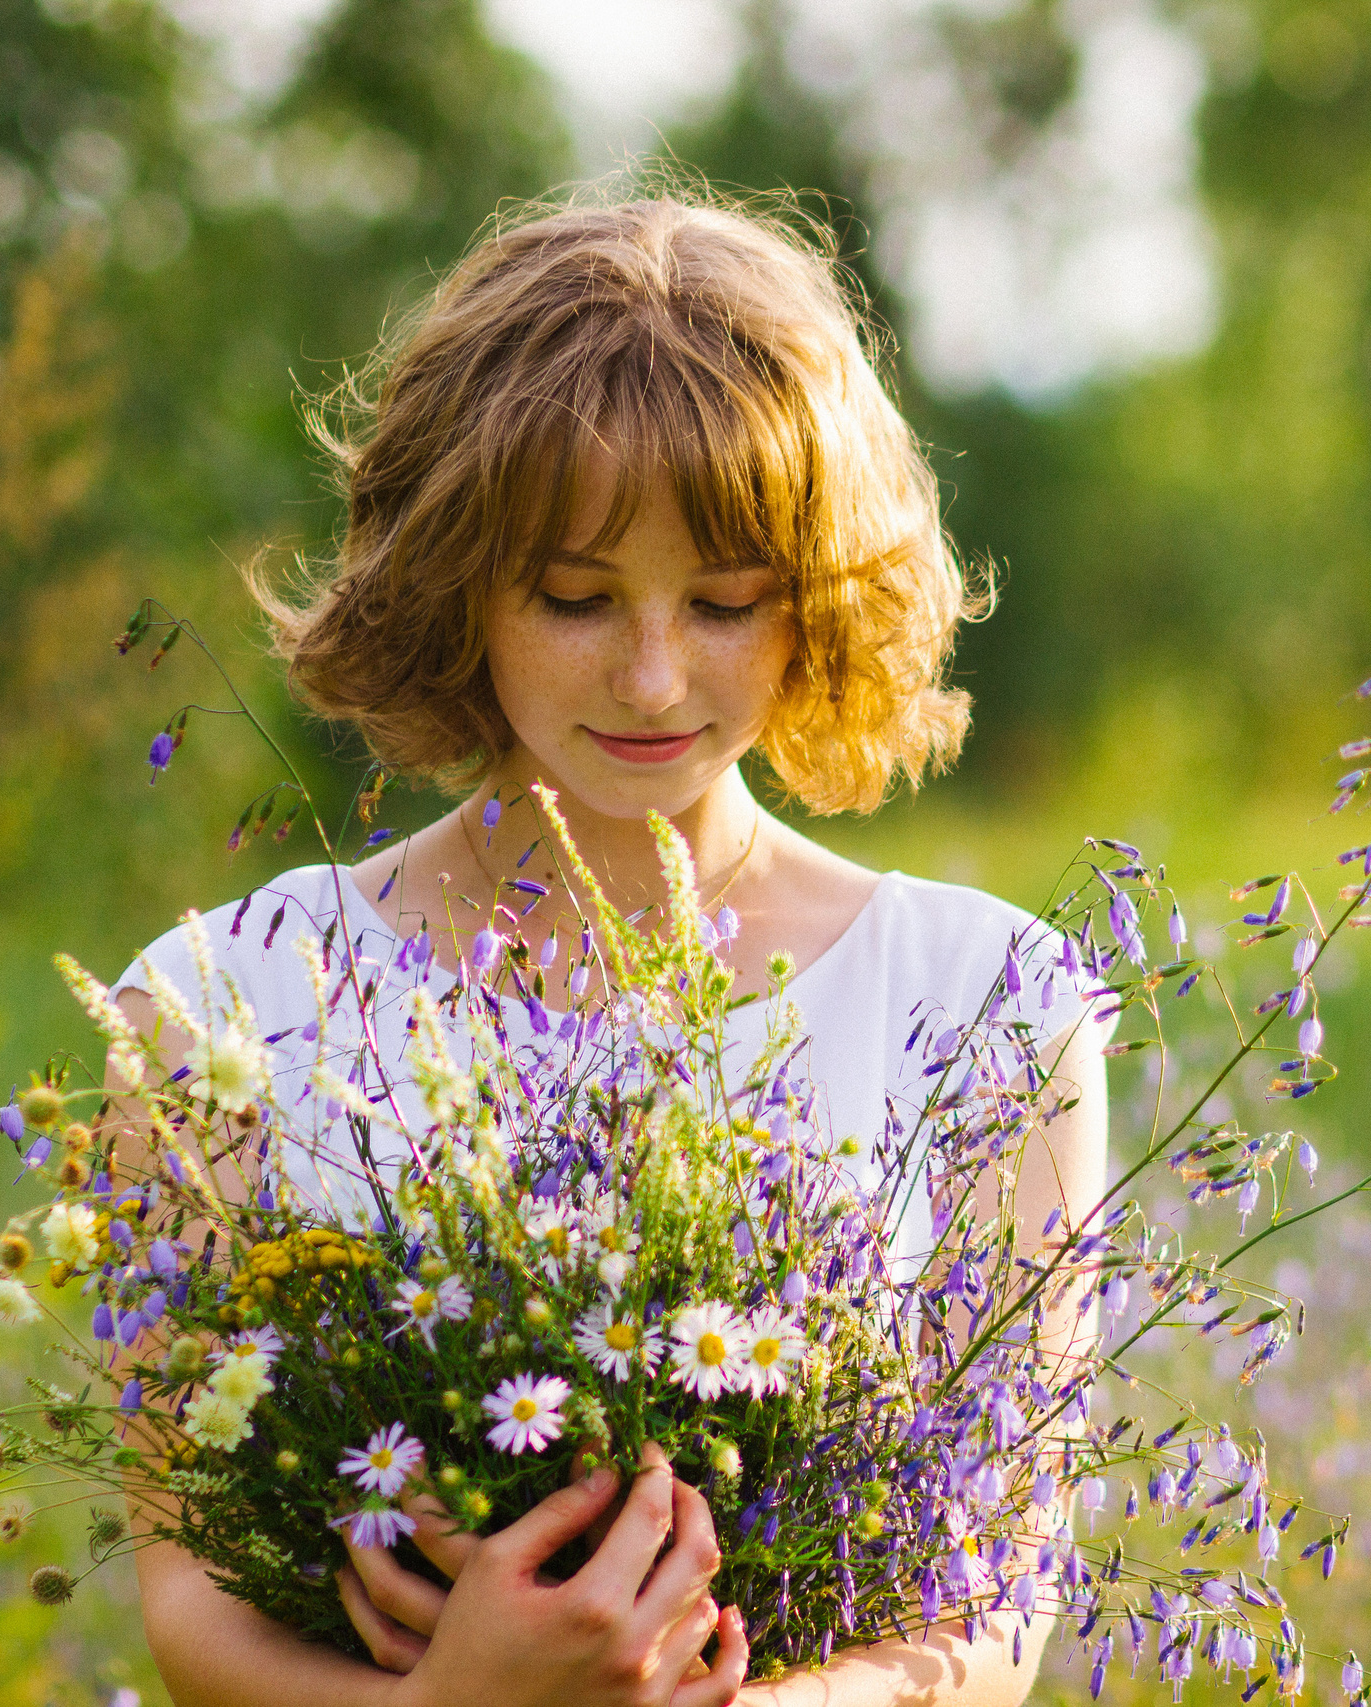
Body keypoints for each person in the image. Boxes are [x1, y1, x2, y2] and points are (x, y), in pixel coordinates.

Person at [105, 187, 1110, 1707]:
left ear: (822, 603)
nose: (654, 678)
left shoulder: (993, 1004)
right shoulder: (213, 1014)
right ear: (455, 585)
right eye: (575, 598)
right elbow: (184, 1596)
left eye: (723, 602)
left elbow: (999, 1600)